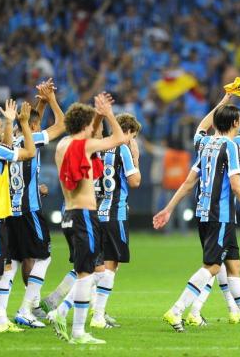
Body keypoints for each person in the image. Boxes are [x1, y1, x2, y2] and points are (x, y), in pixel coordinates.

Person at [154, 83, 240, 326]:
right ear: (236, 124)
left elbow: (189, 180)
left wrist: (168, 208)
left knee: (234, 266)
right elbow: (238, 183)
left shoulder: (203, 143)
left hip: (204, 213)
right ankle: (177, 310)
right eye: (239, 120)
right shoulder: (233, 145)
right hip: (221, 215)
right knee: (212, 267)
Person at [49, 94, 125, 344]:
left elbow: (89, 136)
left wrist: (99, 114)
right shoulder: (85, 146)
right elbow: (119, 138)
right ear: (85, 126)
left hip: (69, 215)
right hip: (84, 215)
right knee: (87, 273)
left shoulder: (62, 146)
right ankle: (78, 331)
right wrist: (110, 114)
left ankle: (61, 313)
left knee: (89, 270)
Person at [0, 79, 65, 328]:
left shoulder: (9, 143)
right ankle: (27, 309)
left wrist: (40, 99)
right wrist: (52, 100)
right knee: (42, 259)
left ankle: (1, 313)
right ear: (31, 126)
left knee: (13, 262)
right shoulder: (33, 140)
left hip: (10, 210)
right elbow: (61, 125)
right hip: (30, 210)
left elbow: (33, 120)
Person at [0, 101, 36, 333]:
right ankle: (1, 318)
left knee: (3, 267)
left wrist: (9, 122)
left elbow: (7, 152)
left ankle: (1, 319)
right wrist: (22, 123)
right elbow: (29, 152)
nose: (1, 130)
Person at [90, 112, 141, 328]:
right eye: (134, 136)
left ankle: (95, 311)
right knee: (111, 265)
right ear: (127, 132)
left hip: (92, 212)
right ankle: (97, 315)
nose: (134, 141)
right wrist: (135, 158)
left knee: (96, 264)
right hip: (114, 213)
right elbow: (135, 181)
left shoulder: (95, 146)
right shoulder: (122, 149)